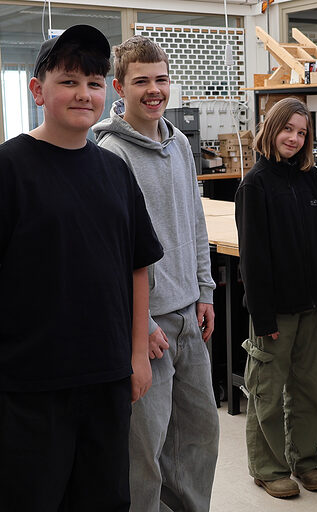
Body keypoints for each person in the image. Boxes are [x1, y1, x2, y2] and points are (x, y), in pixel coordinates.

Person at [0, 25, 163, 511]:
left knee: (103, 498)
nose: (83, 94)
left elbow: (137, 267)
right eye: (69, 81)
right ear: (37, 90)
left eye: (93, 82)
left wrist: (136, 354)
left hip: (105, 376)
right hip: (28, 384)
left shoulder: (114, 171)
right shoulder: (9, 169)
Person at [93, 35, 219, 511]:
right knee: (144, 451)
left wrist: (205, 290)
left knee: (198, 438)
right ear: (118, 88)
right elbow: (110, 254)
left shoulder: (179, 143)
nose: (154, 90)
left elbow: (194, 218)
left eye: (161, 79)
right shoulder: (109, 154)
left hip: (188, 313)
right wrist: (139, 324)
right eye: (141, 81)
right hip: (148, 326)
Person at [235, 97, 317, 499]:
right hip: (274, 312)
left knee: (310, 388)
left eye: (301, 132)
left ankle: (305, 461)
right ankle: (268, 468)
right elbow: (253, 260)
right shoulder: (255, 184)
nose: (294, 139)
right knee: (267, 392)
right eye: (287, 130)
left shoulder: (312, 180)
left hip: (311, 306)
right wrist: (263, 319)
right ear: (271, 129)